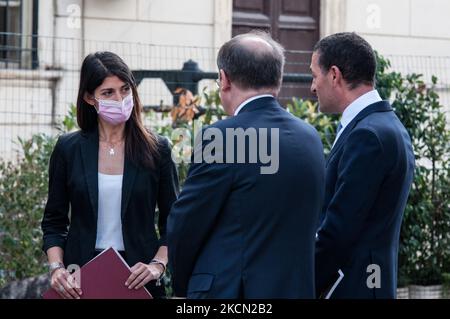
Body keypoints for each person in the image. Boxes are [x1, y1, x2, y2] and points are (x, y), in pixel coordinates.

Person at [167, 31, 325, 298]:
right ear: (279, 78)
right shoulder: (309, 136)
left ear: (224, 79)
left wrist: (184, 288)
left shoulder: (222, 138)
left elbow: (185, 226)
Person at [41, 51, 179, 299]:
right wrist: (57, 268)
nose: (120, 98)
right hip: (81, 277)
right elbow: (54, 221)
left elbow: (174, 220)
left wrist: (157, 265)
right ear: (89, 98)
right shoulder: (68, 149)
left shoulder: (158, 149)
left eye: (125, 89)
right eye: (108, 93)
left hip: (139, 277)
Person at [310, 32, 415, 299]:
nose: (312, 87)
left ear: (334, 75)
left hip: (354, 287)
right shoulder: (385, 125)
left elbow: (339, 230)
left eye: (314, 75)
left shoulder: (367, 135)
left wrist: (302, 282)